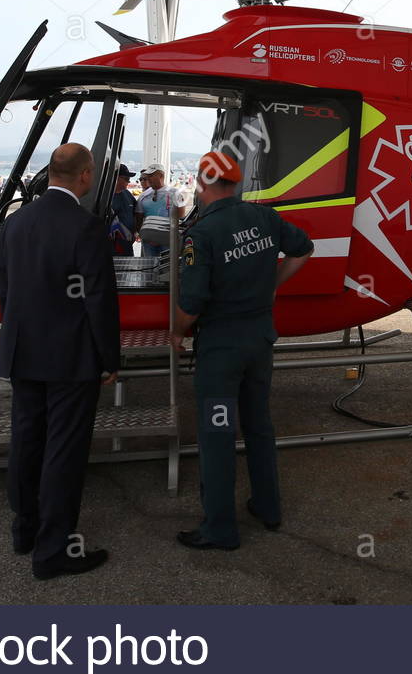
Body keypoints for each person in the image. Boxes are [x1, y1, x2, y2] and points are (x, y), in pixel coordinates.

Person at [172, 151, 314, 550]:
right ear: (235, 183)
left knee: (217, 434)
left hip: (221, 350)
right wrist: (272, 285)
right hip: (259, 340)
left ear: (202, 183)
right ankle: (268, 508)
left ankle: (220, 529)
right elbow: (304, 249)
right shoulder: (265, 217)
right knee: (258, 426)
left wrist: (176, 333)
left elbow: (192, 302)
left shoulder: (201, 233)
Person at [0, 143, 118, 581]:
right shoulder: (86, 227)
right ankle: (53, 551)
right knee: (63, 451)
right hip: (70, 357)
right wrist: (109, 358)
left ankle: (24, 530)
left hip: (23, 351)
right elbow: (98, 299)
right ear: (85, 175)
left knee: (27, 440)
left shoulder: (15, 222)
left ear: (50, 173)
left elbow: (5, 290)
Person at [136, 162, 185, 262]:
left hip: (168, 240)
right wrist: (144, 236)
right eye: (147, 176)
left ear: (161, 175)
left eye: (151, 175)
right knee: (149, 266)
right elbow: (138, 219)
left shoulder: (175, 193)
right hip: (149, 241)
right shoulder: (143, 196)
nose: (148, 178)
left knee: (167, 268)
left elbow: (181, 218)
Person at [109, 164, 137, 256]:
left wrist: (135, 232)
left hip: (128, 244)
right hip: (112, 246)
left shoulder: (128, 194)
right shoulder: (106, 196)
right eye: (126, 179)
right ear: (116, 178)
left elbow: (136, 213)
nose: (129, 181)